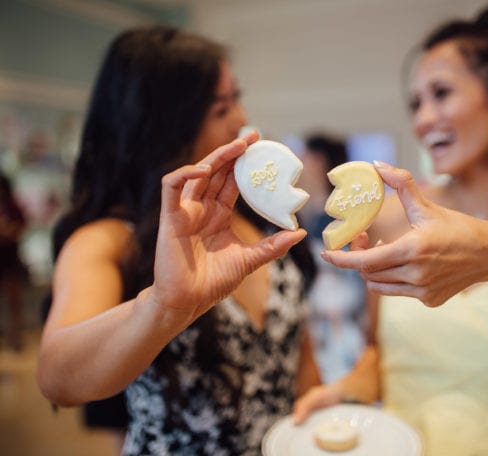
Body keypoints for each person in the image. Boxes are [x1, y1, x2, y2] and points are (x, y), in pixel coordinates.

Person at [293, 2, 488, 455]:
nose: (423, 119)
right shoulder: (388, 214)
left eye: (441, 93)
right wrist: (346, 392)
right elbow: (377, 354)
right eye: (416, 103)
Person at [37, 26, 320, 456]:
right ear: (162, 125)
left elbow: (297, 352)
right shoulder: (109, 241)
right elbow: (58, 377)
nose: (242, 119)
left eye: (237, 98)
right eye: (221, 108)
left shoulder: (250, 212)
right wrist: (164, 306)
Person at [297, 134, 366, 383]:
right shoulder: (310, 214)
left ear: (319, 160)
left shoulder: (341, 218)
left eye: (304, 156)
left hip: (343, 332)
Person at [0, 171, 28, 351]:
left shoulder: (12, 207)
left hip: (9, 260)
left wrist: (6, 232)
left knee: (13, 301)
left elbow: (18, 230)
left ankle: (15, 335)